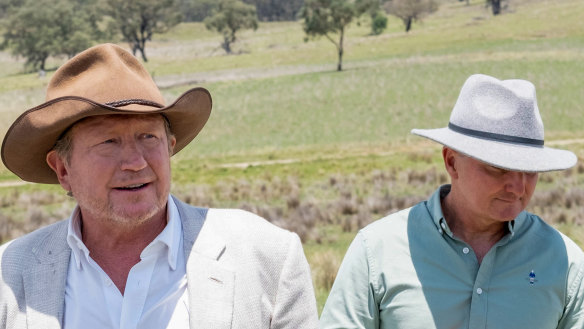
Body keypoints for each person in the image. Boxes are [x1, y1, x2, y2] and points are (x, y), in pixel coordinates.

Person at [0, 43, 318, 329]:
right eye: (108, 141)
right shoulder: (9, 277)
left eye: (148, 137)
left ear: (170, 147)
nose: (135, 162)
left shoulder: (268, 257)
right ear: (63, 169)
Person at [320, 74, 584, 328]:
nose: (518, 187)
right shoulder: (376, 253)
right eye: (498, 168)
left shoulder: (567, 265)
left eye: (530, 170)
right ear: (451, 162)